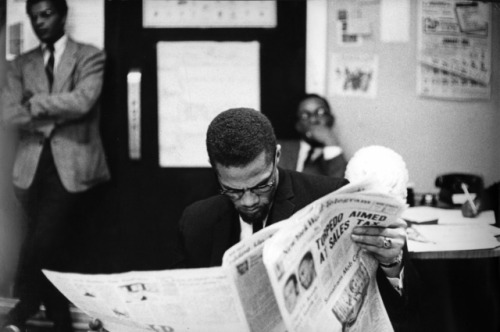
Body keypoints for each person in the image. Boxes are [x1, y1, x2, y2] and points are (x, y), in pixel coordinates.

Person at [178, 108, 419, 331]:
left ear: (277, 157)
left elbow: (398, 310)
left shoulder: (331, 197)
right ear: (214, 170)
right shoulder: (197, 221)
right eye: (233, 190)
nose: (249, 201)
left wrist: (393, 263)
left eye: (262, 184)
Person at [0, 0, 110, 331]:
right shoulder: (21, 63)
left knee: (43, 241)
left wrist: (34, 104)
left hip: (74, 168)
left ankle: (22, 308)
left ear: (62, 15)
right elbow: (8, 113)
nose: (40, 23)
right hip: (30, 169)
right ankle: (61, 321)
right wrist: (52, 114)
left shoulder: (90, 55)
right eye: (34, 18)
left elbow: (83, 101)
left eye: (47, 14)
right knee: (53, 248)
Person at [279, 94, 347, 178]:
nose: (313, 120)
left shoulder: (335, 157)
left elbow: (340, 187)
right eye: (305, 115)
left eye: (320, 113)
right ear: (298, 125)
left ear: (331, 120)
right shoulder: (280, 149)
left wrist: (330, 142)